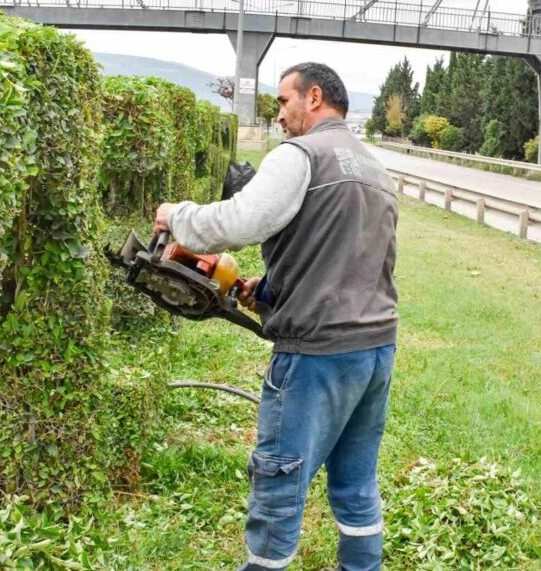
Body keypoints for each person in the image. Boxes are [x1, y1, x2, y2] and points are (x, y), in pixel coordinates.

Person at [153, 62, 399, 571]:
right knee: (355, 480)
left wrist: (176, 215)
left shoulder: (300, 155)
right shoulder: (374, 168)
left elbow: (240, 221)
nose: (279, 114)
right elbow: (349, 255)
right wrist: (264, 289)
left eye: (283, 102)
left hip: (317, 353)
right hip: (374, 349)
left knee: (279, 477)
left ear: (313, 97)